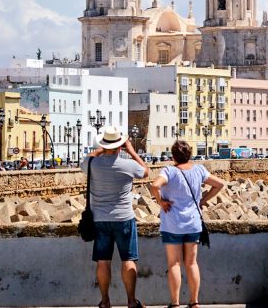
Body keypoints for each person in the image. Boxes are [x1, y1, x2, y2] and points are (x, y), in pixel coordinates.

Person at [148, 140, 225, 308]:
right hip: (193, 223)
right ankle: (194, 302)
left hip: (172, 224)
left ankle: (175, 303)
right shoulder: (198, 170)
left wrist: (161, 202)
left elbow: (154, 185)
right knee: (191, 263)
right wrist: (203, 200)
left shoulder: (169, 170)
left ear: (173, 155)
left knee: (174, 263)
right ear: (189, 154)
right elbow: (219, 184)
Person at [81, 125, 150, 308]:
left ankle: (105, 301)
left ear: (104, 144)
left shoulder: (92, 164)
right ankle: (131, 301)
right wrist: (132, 151)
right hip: (124, 218)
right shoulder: (128, 165)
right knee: (128, 259)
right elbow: (146, 171)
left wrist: (102, 149)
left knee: (103, 261)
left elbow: (86, 160)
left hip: (100, 219)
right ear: (120, 145)